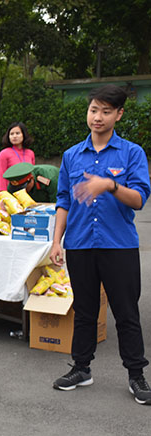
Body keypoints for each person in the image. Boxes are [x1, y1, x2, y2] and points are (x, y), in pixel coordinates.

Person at [50, 84, 151, 405]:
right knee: (84, 310)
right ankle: (81, 368)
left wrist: (109, 184)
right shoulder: (71, 155)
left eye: (106, 111)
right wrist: (57, 241)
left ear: (119, 114)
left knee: (126, 312)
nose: (98, 117)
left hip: (118, 245)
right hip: (79, 243)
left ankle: (137, 375)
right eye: (94, 109)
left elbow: (138, 199)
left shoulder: (131, 153)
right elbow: (63, 200)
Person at [0, 122, 35, 191]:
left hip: (28, 192)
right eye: (11, 134)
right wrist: (4, 194)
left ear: (24, 135)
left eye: (17, 133)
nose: (14, 136)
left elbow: (32, 174)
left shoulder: (30, 153)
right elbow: (2, 176)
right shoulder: (4, 154)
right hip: (11, 191)